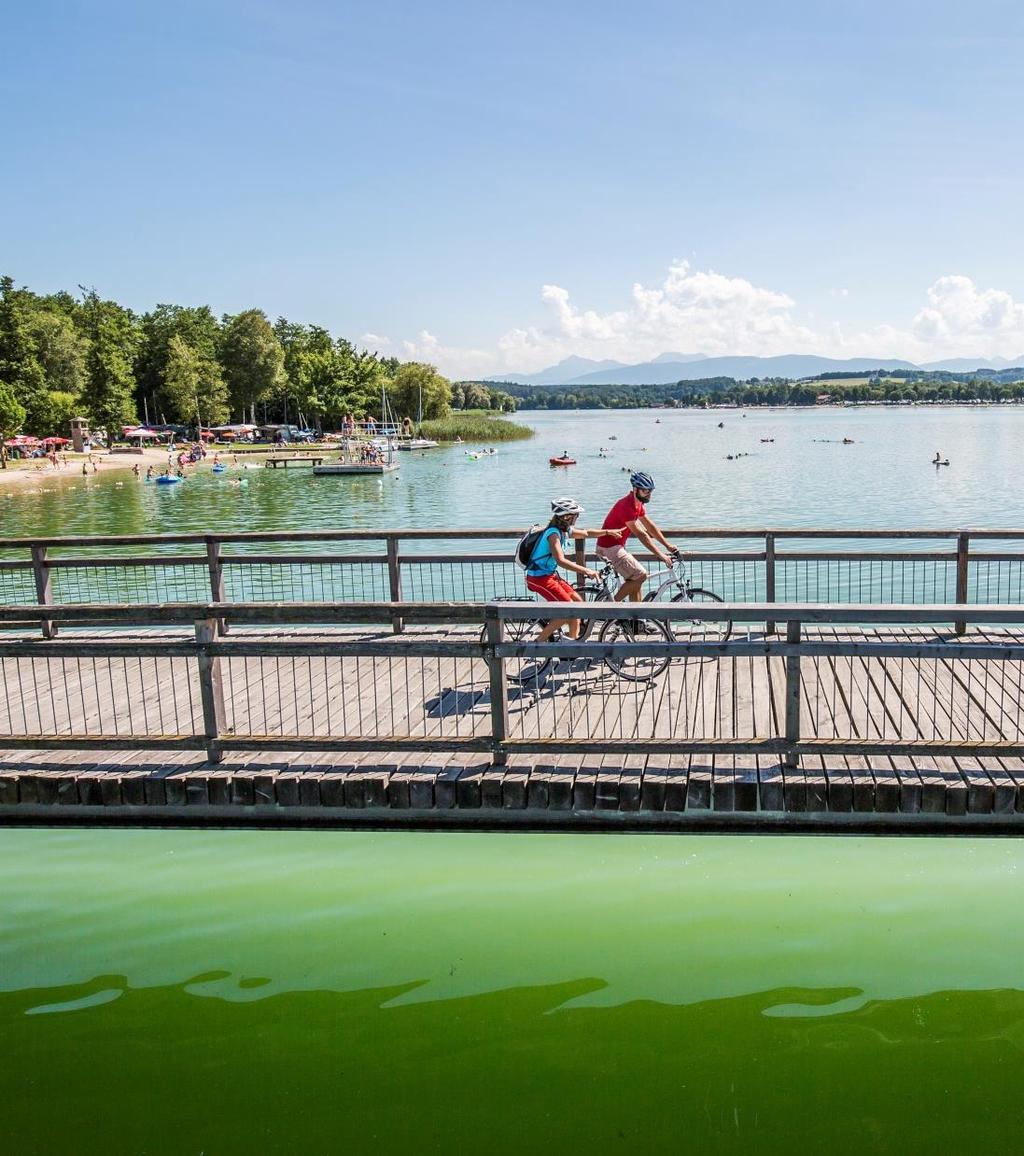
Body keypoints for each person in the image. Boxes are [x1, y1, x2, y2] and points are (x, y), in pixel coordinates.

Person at [525, 498, 623, 643]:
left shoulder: (564, 530)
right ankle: (538, 643)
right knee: (567, 611)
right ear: (567, 517)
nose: (577, 517)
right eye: (576, 514)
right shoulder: (553, 534)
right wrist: (587, 571)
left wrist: (608, 532)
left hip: (550, 576)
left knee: (577, 602)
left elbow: (587, 533)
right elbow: (560, 560)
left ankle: (571, 643)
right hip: (538, 578)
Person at [596, 471, 678, 602]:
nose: (649, 494)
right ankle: (608, 608)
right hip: (609, 547)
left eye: (650, 491)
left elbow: (650, 526)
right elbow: (641, 534)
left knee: (635, 581)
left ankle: (635, 619)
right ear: (635, 489)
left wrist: (667, 545)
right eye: (645, 491)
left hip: (616, 546)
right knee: (641, 575)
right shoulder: (626, 506)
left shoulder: (637, 503)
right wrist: (661, 555)